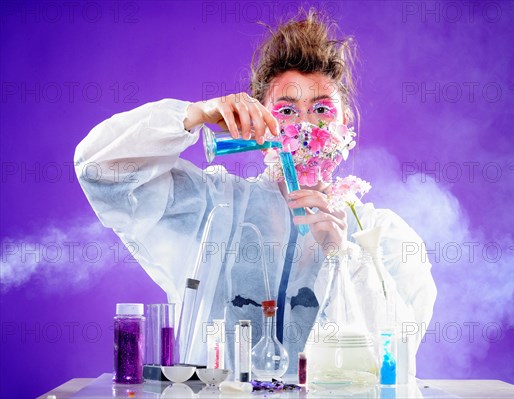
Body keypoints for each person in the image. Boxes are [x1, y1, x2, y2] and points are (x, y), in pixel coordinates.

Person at [74, 9, 436, 377]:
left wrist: (342, 256)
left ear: (347, 124)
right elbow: (100, 169)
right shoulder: (215, 207)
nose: (307, 125)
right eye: (287, 111)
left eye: (323, 109)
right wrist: (193, 115)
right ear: (261, 125)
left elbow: (398, 359)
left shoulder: (381, 236)